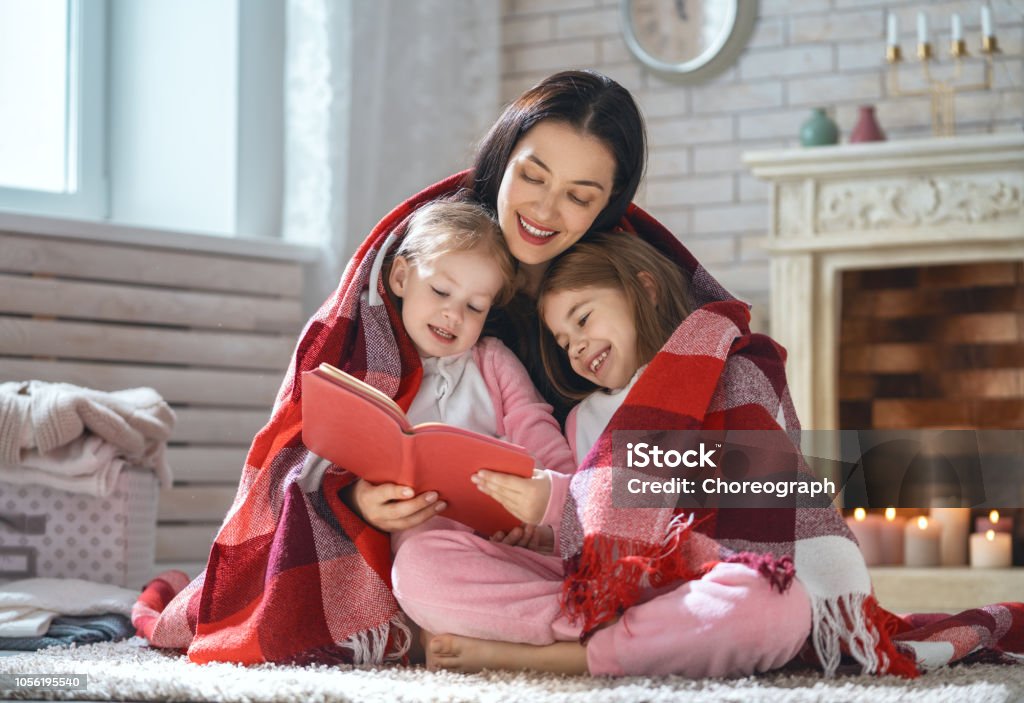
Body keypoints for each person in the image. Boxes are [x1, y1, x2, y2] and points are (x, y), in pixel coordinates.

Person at [136, 70, 939, 678]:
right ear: (503, 155)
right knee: (425, 565)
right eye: (534, 174)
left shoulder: (644, 299)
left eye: (581, 195)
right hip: (497, 554)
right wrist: (356, 495)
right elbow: (308, 441)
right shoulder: (431, 256)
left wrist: (570, 504)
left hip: (640, 558)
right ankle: (611, 639)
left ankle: (565, 651)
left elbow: (738, 470)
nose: (547, 208)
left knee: (772, 601)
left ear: (608, 209)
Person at [393, 232, 813, 677]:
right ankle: (625, 634)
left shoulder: (728, 375)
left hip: (701, 571)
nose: (574, 345)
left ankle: (553, 657)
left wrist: (556, 502)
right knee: (419, 567)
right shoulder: (582, 420)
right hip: (605, 587)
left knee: (777, 605)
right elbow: (585, 544)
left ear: (644, 290)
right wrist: (541, 531)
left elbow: (743, 494)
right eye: (562, 339)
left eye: (583, 318)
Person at [374, 198, 575, 551]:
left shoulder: (492, 362)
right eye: (440, 291)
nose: (453, 314)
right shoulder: (375, 365)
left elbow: (544, 444)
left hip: (505, 537)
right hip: (425, 546)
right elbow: (334, 467)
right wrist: (360, 501)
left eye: (475, 306)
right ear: (401, 277)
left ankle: (565, 603)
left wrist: (554, 523)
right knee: (417, 562)